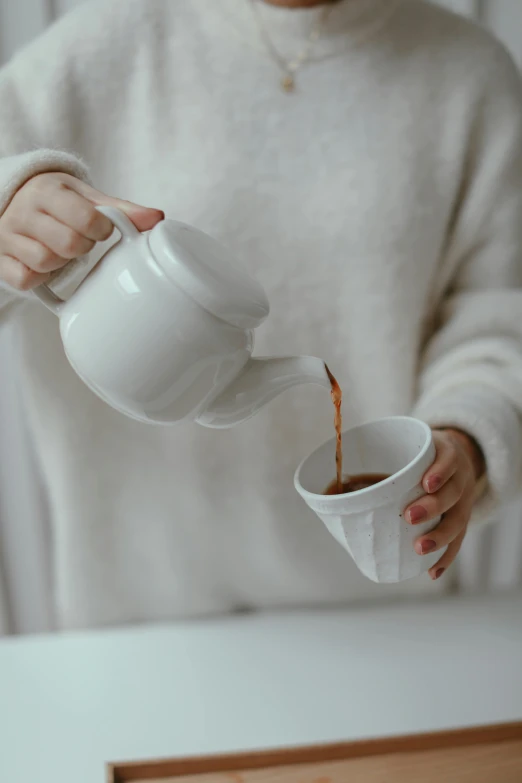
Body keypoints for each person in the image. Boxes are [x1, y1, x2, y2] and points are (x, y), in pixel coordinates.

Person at [0, 0, 521, 631]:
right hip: (139, 624)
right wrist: (12, 209)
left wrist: (466, 441)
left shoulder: (469, 75)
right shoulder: (96, 50)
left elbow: (499, 318)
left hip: (385, 618)